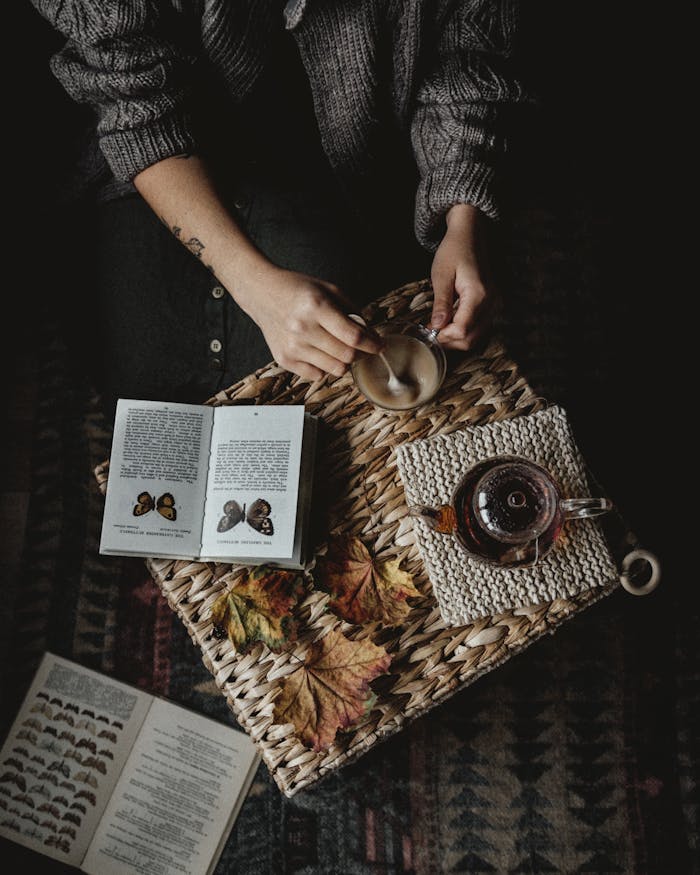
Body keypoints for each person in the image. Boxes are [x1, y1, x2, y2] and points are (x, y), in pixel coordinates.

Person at [30, 0, 524, 422]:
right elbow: (132, 93)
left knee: (321, 405)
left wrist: (463, 218)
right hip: (140, 163)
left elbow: (466, 59)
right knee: (150, 399)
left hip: (340, 154)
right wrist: (253, 285)